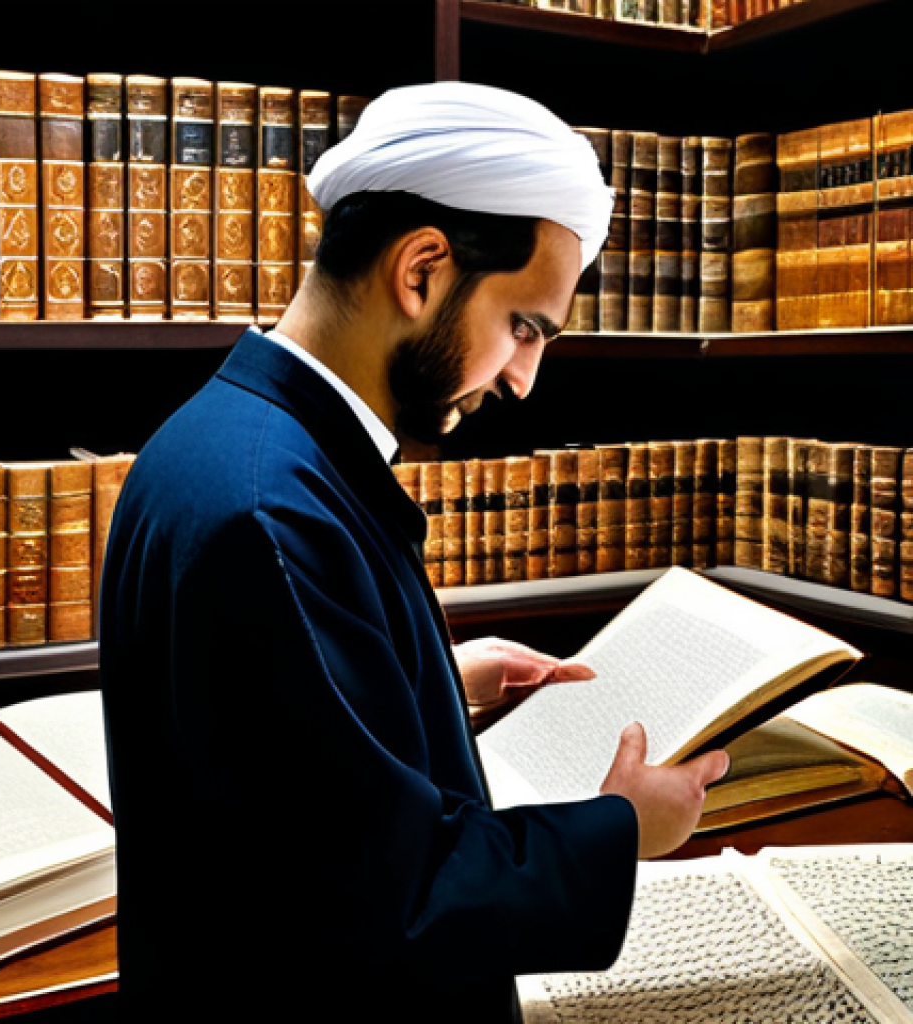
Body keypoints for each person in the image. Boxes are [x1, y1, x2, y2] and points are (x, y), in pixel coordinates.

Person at [98, 81, 729, 1024]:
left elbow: (279, 772)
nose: (524, 379)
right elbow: (394, 901)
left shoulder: (233, 441)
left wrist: (434, 677)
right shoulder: (271, 511)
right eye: (524, 327)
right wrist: (625, 826)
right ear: (423, 269)